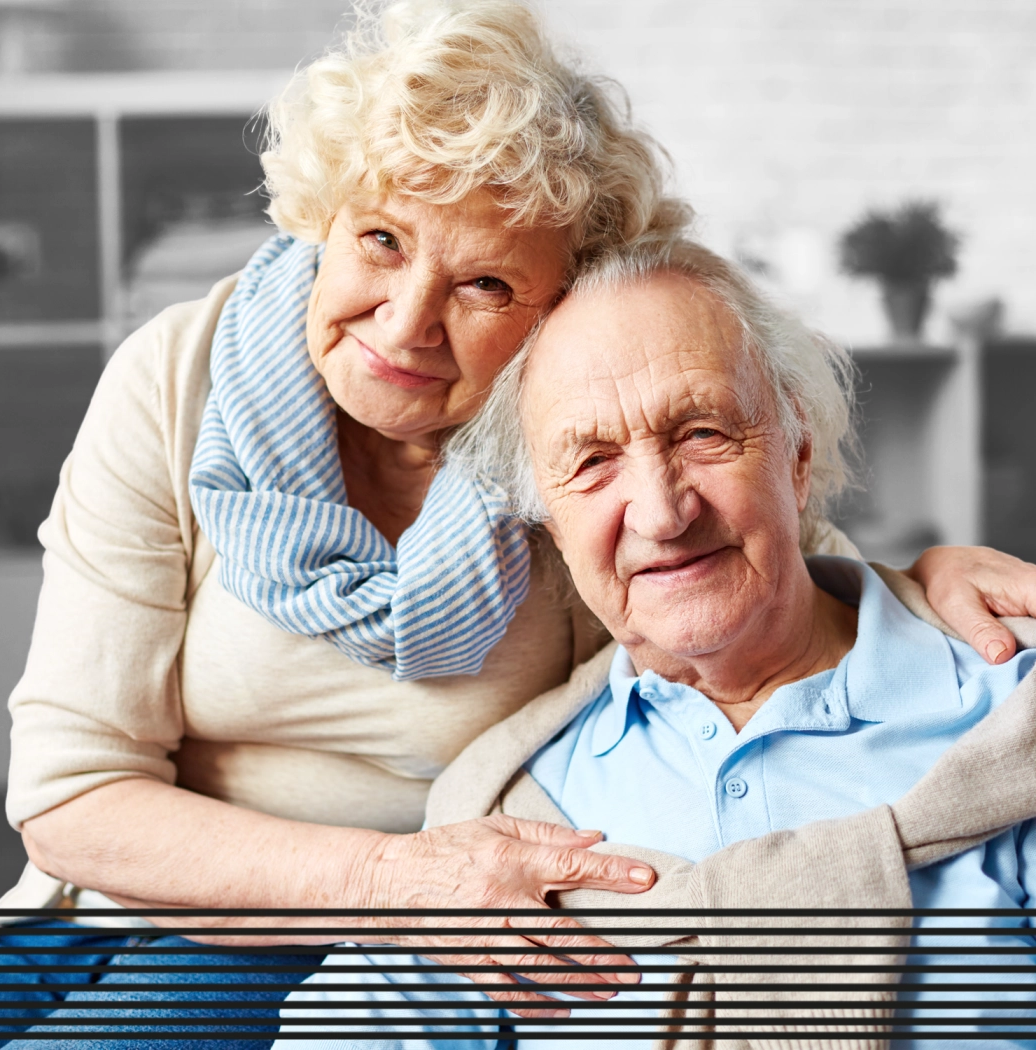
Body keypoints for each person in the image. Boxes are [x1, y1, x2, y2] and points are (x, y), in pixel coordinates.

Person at [0, 1, 1036, 1047]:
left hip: (332, 948)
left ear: (555, 317)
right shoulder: (177, 376)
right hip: (111, 895)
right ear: (324, 218)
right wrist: (396, 877)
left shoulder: (567, 459)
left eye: (485, 282)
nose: (405, 323)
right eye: (381, 240)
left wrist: (928, 586)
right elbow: (70, 793)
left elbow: (742, 561)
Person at [276, 237, 1036, 1049]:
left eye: (701, 433)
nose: (662, 514)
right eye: (593, 462)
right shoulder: (505, 812)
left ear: (798, 455)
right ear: (549, 527)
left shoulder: (1005, 717)